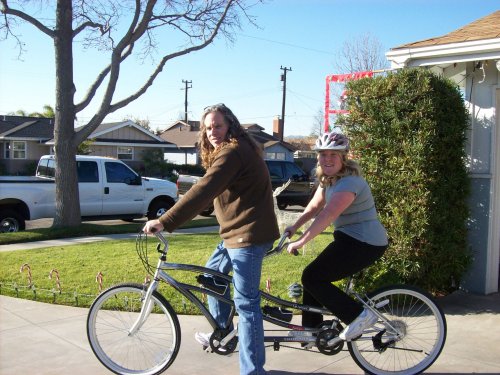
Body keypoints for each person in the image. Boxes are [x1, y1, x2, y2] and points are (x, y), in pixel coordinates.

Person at [143, 103, 279, 375]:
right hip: (236, 233)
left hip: (248, 236)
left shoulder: (233, 152)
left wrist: (165, 220)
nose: (212, 132)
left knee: (247, 304)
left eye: (217, 126)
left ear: (230, 125)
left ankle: (253, 371)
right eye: (207, 128)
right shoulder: (235, 149)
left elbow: (204, 189)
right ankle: (224, 333)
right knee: (211, 276)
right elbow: (218, 193)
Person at [284, 132, 388, 342]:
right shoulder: (329, 181)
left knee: (313, 277)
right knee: (312, 276)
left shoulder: (350, 183)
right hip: (349, 240)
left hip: (365, 243)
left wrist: (301, 241)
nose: (328, 159)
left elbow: (328, 214)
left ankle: (359, 316)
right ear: (318, 158)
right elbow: (314, 207)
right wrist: (293, 227)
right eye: (323, 154)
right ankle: (312, 331)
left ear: (344, 157)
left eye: (334, 154)